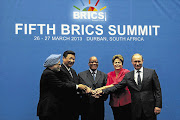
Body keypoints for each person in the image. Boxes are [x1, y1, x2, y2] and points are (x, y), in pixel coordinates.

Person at [95, 53, 162, 120]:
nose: (137, 63)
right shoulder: (128, 76)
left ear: (142, 61)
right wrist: (102, 91)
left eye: (139, 61)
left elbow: (157, 90)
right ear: (132, 62)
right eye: (135, 61)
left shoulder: (151, 72)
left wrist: (158, 105)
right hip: (135, 109)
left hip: (150, 108)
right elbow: (117, 86)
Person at [37, 54, 88, 120]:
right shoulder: (48, 73)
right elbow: (61, 85)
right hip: (48, 110)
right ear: (52, 65)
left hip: (55, 110)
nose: (60, 66)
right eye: (58, 64)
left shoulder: (56, 72)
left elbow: (66, 81)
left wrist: (82, 87)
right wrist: (77, 86)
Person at [105, 55, 131, 120]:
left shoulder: (126, 72)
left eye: (119, 62)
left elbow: (117, 84)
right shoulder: (109, 74)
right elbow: (107, 87)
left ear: (122, 64)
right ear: (113, 64)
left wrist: (100, 89)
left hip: (126, 102)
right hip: (114, 103)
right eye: (115, 62)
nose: (117, 64)